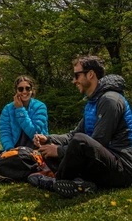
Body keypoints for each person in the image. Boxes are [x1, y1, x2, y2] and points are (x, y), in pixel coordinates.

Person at [28, 55, 132, 198]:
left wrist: (59, 151)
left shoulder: (110, 100)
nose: (73, 81)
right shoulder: (93, 102)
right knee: (49, 145)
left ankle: (56, 181)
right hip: (101, 162)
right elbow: (73, 134)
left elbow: (97, 142)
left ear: (90, 74)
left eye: (76, 76)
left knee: (80, 141)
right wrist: (48, 138)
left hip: (122, 167)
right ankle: (78, 183)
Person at [0, 75, 48, 166]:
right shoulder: (7, 109)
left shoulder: (40, 107)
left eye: (27, 88)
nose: (24, 92)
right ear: (16, 91)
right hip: (14, 150)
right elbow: (5, 132)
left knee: (35, 156)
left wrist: (20, 111)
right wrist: (10, 150)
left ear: (32, 90)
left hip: (34, 149)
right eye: (21, 89)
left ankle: (8, 162)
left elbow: (34, 132)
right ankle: (12, 160)